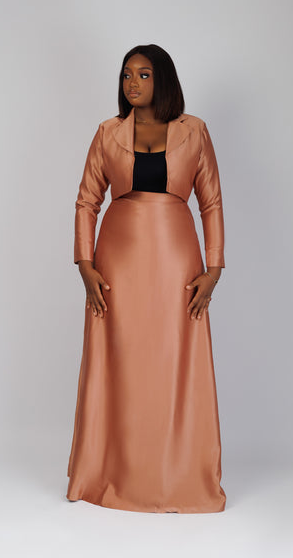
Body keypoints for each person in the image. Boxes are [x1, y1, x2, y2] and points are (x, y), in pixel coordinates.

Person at [66, 44, 227, 513]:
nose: (132, 83)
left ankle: (176, 476)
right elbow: (87, 200)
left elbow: (211, 201)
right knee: (119, 363)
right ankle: (111, 475)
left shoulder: (194, 131)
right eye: (126, 75)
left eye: (143, 74)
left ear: (163, 80)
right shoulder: (107, 132)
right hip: (117, 265)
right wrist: (85, 264)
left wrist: (214, 269)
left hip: (177, 265)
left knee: (174, 362)